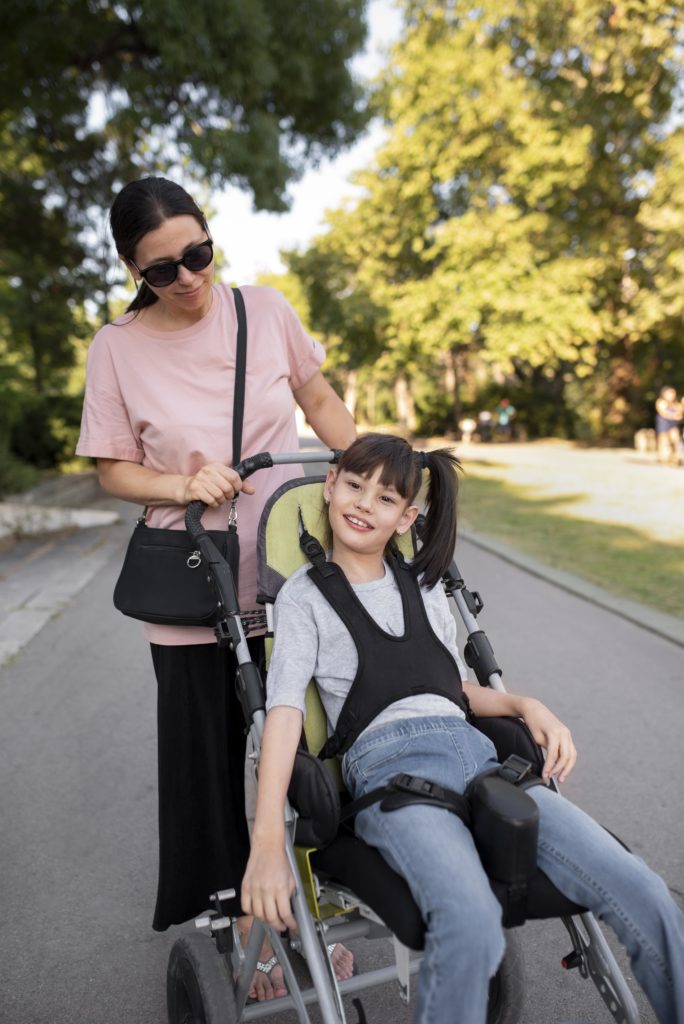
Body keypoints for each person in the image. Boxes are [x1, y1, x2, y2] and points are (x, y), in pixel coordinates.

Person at [242, 433, 684, 1024]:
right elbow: (286, 716)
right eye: (354, 485)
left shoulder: (424, 588)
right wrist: (267, 840)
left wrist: (527, 704)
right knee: (470, 923)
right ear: (329, 486)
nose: (364, 503)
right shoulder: (302, 599)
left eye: (385, 498)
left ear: (407, 518)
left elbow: (452, 690)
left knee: (647, 893)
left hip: (480, 762)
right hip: (393, 777)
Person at [76, 176, 357, 999]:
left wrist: (378, 461)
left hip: (290, 569)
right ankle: (243, 917)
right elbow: (112, 470)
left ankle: (314, 906)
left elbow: (316, 397)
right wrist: (179, 486)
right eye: (164, 269)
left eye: (198, 254)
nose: (189, 277)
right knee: (206, 765)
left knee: (308, 755)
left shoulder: (264, 311)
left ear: (210, 239)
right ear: (133, 268)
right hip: (191, 585)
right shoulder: (115, 347)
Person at [655, 386, 683, 465]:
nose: (672, 395)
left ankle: (675, 457)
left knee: (675, 439)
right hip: (663, 423)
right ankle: (664, 457)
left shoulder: (676, 404)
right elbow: (663, 413)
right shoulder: (661, 402)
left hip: (673, 424)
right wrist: (674, 416)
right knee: (663, 440)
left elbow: (680, 413)